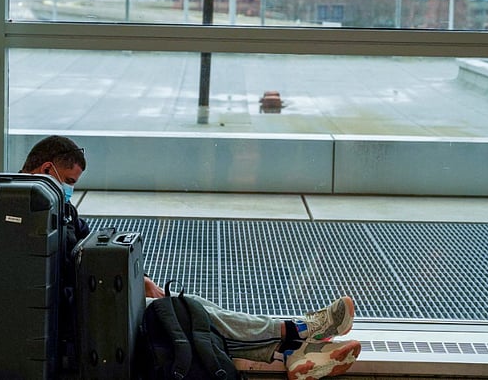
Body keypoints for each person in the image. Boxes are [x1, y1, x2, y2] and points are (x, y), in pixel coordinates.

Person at [22, 135, 362, 379]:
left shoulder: (59, 209)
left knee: (185, 311)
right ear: (47, 169)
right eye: (67, 181)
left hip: (98, 302)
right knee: (187, 311)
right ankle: (300, 330)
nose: (70, 191)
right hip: (85, 315)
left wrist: (138, 281)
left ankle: (289, 352)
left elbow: (92, 244)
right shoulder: (22, 213)